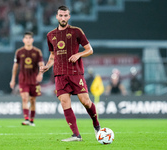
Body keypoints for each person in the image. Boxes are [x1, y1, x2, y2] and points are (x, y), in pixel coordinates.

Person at [40, 5, 100, 142]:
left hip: (75, 72)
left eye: (65, 15)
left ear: (69, 16)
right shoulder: (50, 35)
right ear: (56, 17)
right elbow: (52, 56)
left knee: (85, 101)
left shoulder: (76, 31)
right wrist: (47, 66)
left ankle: (96, 125)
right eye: (60, 15)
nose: (63, 18)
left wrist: (79, 54)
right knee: (64, 102)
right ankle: (76, 135)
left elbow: (90, 50)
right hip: (59, 74)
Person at [10, 31, 44, 126]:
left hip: (34, 80)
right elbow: (15, 66)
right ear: (23, 40)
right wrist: (13, 79)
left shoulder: (37, 52)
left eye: (30, 38)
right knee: (25, 98)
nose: (28, 40)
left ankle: (32, 120)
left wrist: (40, 74)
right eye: (26, 38)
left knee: (33, 100)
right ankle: (26, 119)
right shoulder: (19, 52)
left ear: (32, 40)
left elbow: (41, 64)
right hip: (23, 80)